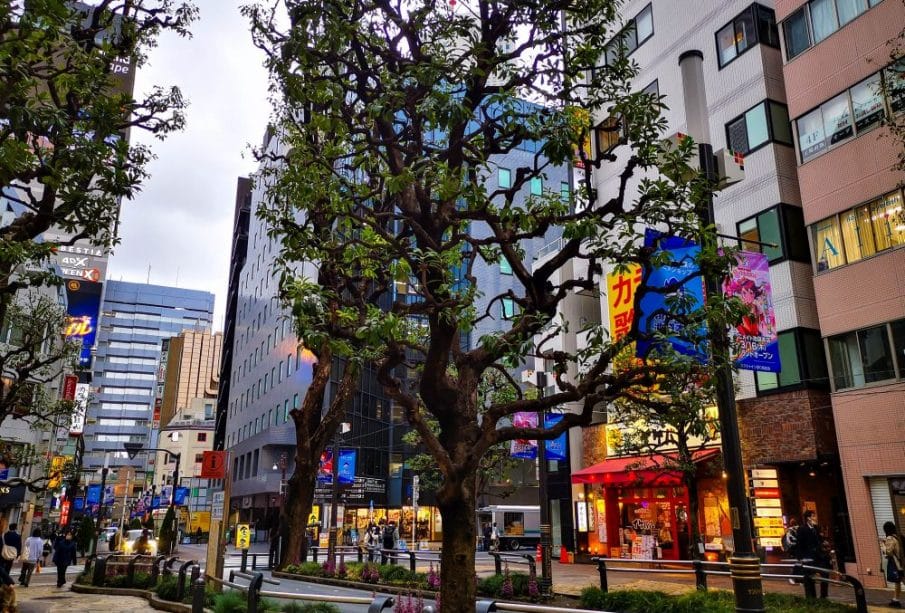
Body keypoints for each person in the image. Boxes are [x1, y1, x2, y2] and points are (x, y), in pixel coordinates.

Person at [797, 510, 830, 598]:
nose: (815, 518)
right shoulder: (802, 529)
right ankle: (811, 597)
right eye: (813, 516)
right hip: (808, 557)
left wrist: (824, 542)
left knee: (825, 573)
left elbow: (819, 540)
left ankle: (823, 596)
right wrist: (801, 558)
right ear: (808, 518)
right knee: (809, 577)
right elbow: (799, 544)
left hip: (818, 556)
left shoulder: (816, 528)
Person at [883, 521, 904, 608]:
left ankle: (896, 600)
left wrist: (883, 544)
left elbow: (888, 552)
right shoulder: (898, 536)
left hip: (897, 564)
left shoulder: (890, 538)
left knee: (899, 580)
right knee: (898, 581)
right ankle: (895, 599)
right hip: (902, 562)